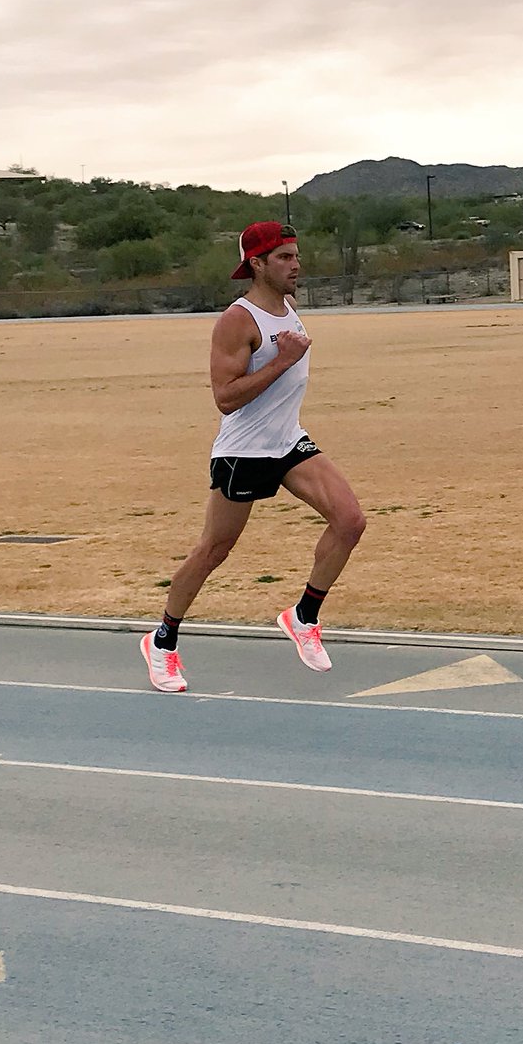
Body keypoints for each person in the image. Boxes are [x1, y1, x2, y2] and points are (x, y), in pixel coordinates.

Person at [140, 221, 367, 693]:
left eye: (297, 255)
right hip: (244, 450)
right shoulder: (237, 321)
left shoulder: (288, 307)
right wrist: (281, 360)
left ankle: (303, 616)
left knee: (350, 521)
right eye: (284, 258)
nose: (296, 265)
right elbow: (225, 398)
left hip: (288, 442)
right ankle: (162, 642)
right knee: (213, 551)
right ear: (257, 265)